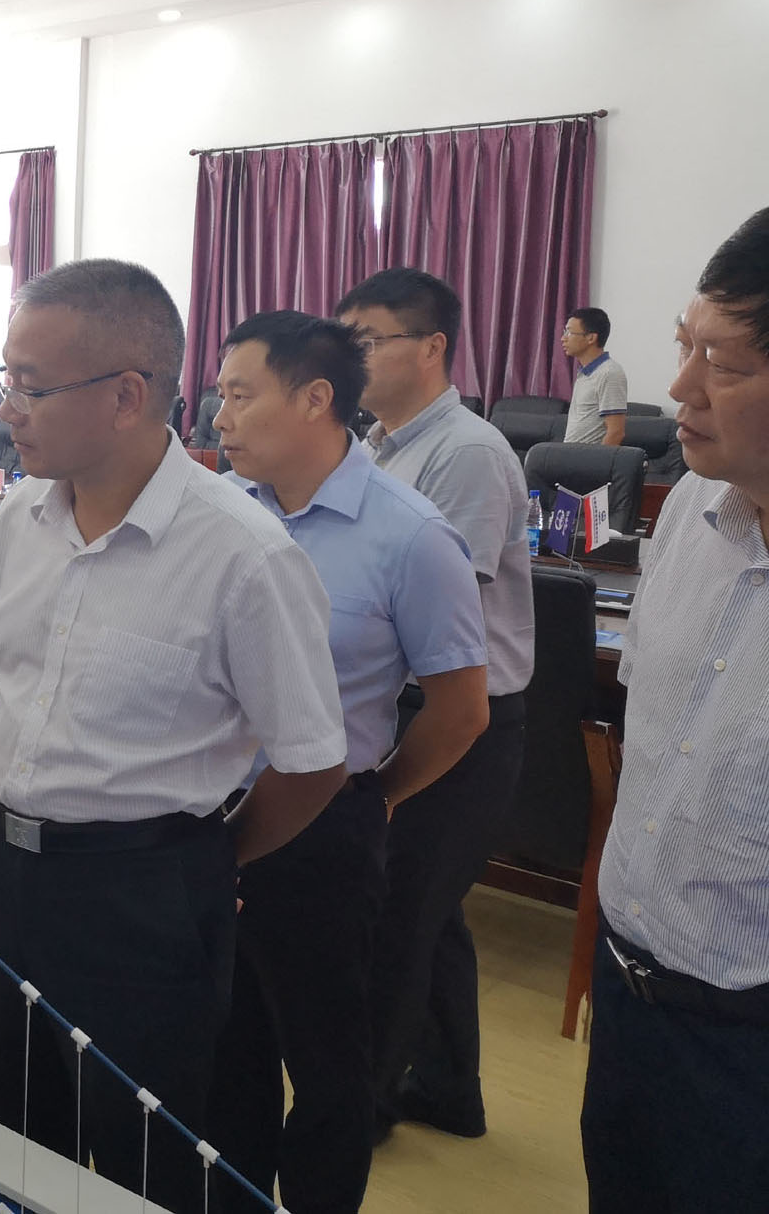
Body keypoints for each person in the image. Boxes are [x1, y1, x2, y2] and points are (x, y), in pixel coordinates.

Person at [0, 259, 349, 1211]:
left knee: (147, 1155)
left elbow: (314, 761)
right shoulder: (17, 520)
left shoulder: (243, 555)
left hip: (147, 898)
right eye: (6, 378)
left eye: (32, 387)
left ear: (126, 396)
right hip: (12, 876)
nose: (7, 409)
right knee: (19, 1127)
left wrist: (203, 858)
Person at [209, 311, 489, 1213]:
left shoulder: (411, 536)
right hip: (207, 816)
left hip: (323, 832)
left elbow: (461, 710)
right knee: (226, 1050)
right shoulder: (221, 512)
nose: (220, 418)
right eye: (219, 396)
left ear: (315, 399)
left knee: (328, 1064)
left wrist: (373, 795)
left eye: (240, 396)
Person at [581, 207, 769, 1213]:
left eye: (724, 362)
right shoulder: (694, 506)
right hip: (631, 997)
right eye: (684, 344)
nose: (683, 388)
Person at [334, 267, 535, 1141]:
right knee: (429, 907)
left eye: (368, 342)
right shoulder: (379, 443)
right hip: (406, 708)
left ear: (432, 348)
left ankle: (364, 1112)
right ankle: (451, 1092)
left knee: (397, 917)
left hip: (458, 721)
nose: (351, 359)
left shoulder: (469, 453)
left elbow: (435, 604)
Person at [563, 307, 630, 445]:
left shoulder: (610, 373)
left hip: (589, 458)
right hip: (569, 454)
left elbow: (616, 433)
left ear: (591, 338)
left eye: (569, 332)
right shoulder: (584, 373)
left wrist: (599, 459)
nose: (563, 338)